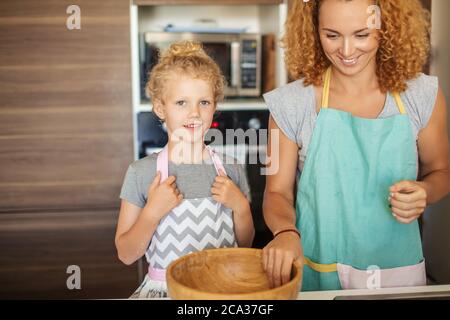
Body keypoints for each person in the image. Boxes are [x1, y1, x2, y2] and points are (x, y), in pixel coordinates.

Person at [262, 0, 449, 291]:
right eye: (332, 35)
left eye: (361, 34)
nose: (346, 51)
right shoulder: (290, 105)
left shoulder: (422, 96)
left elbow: (441, 171)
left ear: (386, 27)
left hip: (398, 273)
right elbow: (276, 192)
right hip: (318, 271)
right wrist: (285, 231)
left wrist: (426, 191)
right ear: (313, 30)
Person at [115, 41, 254, 298]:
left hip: (222, 289)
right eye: (181, 102)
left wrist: (241, 208)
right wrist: (152, 212)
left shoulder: (230, 169)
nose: (194, 113)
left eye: (203, 102)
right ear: (160, 107)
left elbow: (244, 245)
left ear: (215, 106)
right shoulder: (141, 173)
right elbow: (126, 254)